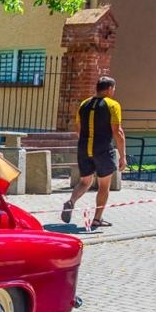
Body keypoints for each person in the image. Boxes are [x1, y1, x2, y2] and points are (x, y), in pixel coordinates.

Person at [61, 76, 127, 228]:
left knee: (85, 181)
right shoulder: (113, 105)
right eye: (114, 89)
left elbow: (78, 129)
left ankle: (71, 201)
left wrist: (86, 142)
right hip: (103, 148)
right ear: (110, 89)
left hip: (84, 147)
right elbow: (118, 131)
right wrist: (122, 156)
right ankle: (97, 219)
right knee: (104, 185)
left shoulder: (84, 104)